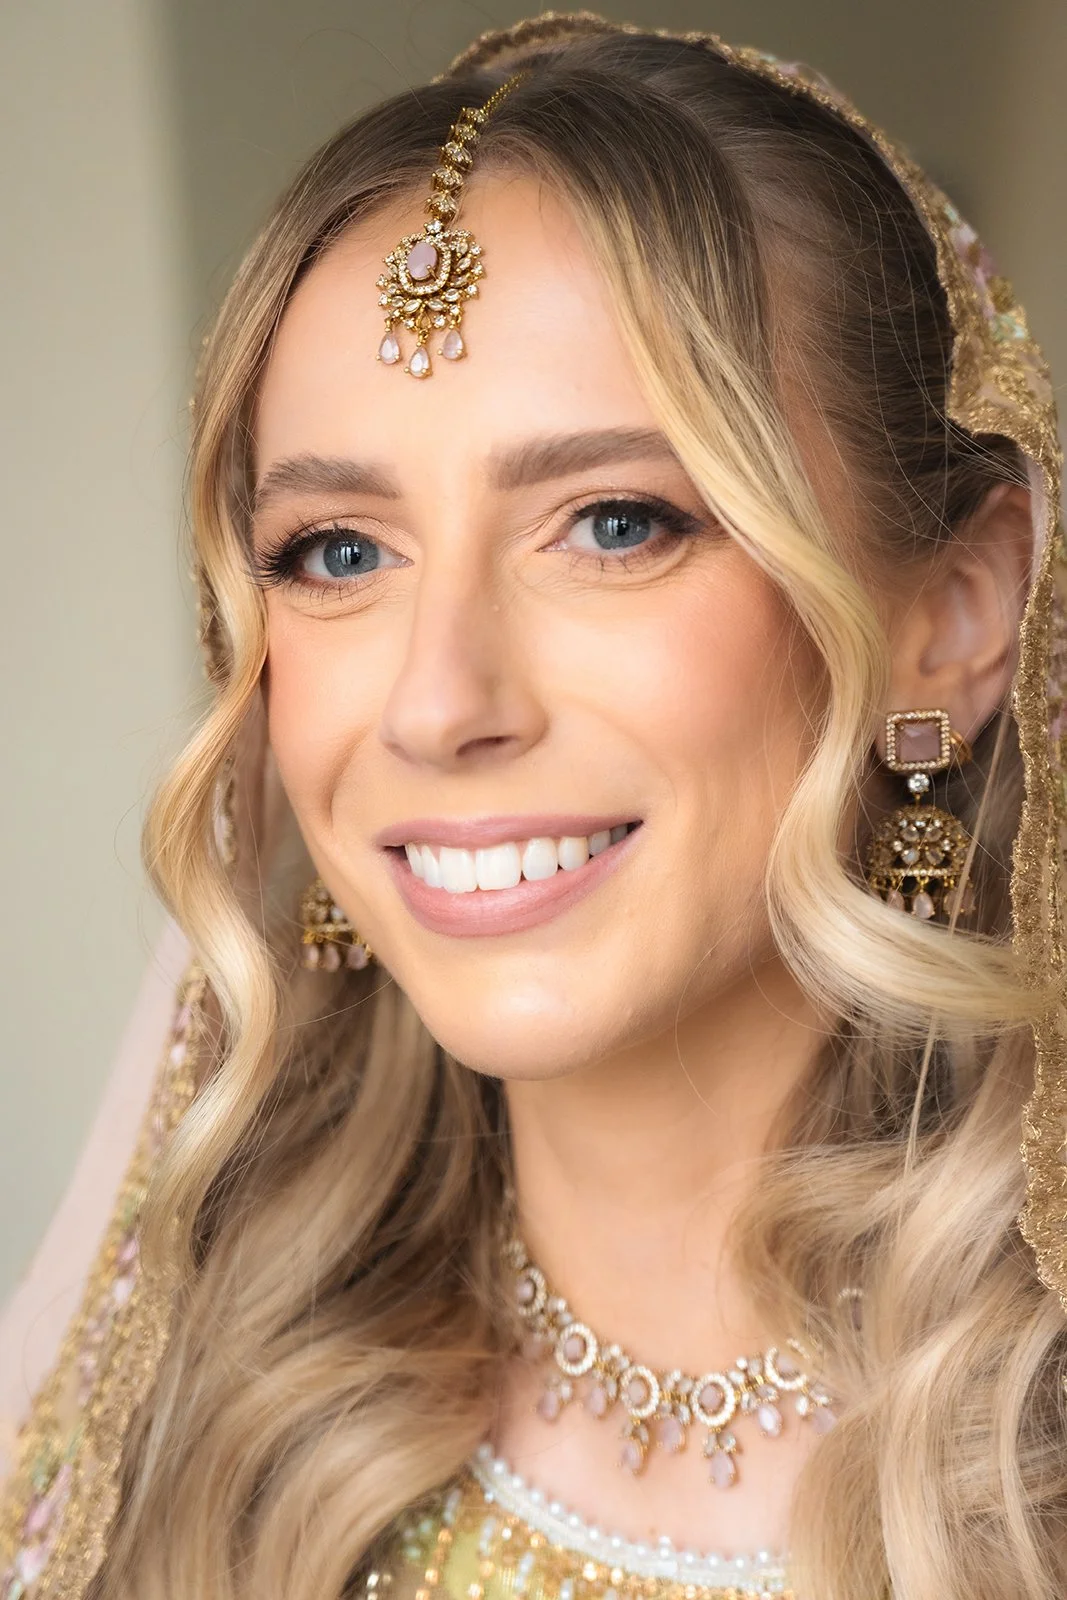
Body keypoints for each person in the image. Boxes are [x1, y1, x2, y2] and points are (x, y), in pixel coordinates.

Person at [2, 13, 1066, 1600]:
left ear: (955, 612)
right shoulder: (205, 1390)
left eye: (614, 523)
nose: (437, 705)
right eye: (337, 551)